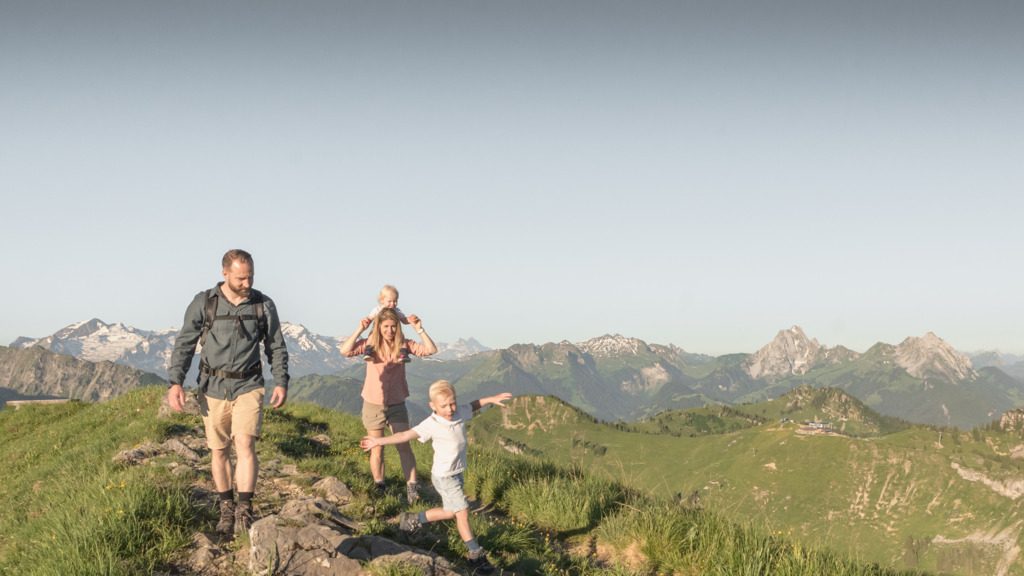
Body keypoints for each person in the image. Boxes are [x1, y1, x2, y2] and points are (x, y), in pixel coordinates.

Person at [166, 249, 289, 537]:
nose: (247, 283)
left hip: (249, 385)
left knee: (245, 444)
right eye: (240, 278)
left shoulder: (263, 305)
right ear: (225, 273)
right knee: (219, 450)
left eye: (250, 277)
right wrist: (176, 382)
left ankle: (244, 509)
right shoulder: (204, 303)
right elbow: (184, 344)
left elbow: (276, 347)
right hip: (212, 388)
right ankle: (226, 507)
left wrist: (281, 381)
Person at [360, 380, 512, 575]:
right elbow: (405, 435)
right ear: (432, 406)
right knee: (463, 511)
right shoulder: (432, 424)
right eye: (444, 406)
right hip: (443, 476)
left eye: (452, 403)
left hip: (456, 474)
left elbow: (473, 405)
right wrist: (378, 441)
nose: (450, 409)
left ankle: (414, 519)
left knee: (451, 512)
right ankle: (475, 554)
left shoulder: (458, 413)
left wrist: (491, 399)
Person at [339, 307, 437, 503]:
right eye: (386, 326)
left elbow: (431, 350)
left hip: (396, 403)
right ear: (379, 327)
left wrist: (419, 328)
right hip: (373, 403)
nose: (390, 331)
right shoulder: (370, 345)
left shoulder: (404, 345)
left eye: (393, 326)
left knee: (404, 446)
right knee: (377, 448)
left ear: (398, 327)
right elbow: (345, 351)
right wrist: (359, 328)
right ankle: (380, 485)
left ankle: (412, 488)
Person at [362, 284, 410, 362]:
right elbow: (370, 318)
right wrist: (366, 321)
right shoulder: (378, 309)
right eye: (390, 301)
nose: (393, 304)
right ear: (382, 300)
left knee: (401, 338)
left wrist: (410, 320)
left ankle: (403, 353)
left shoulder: (396, 311)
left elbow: (404, 320)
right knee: (371, 337)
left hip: (395, 334)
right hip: (377, 331)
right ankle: (368, 351)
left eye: (395, 301)